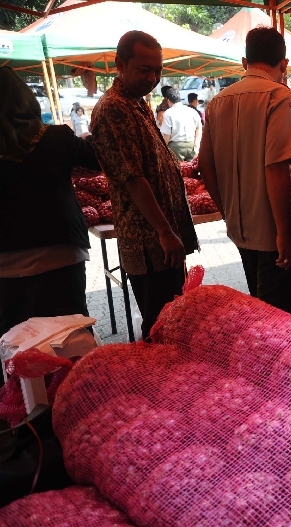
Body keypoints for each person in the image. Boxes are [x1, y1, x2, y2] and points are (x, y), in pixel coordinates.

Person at [91, 30, 198, 340]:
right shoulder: (114, 109)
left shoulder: (138, 103)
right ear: (119, 64)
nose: (152, 77)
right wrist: (164, 231)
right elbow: (133, 179)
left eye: (158, 70)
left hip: (163, 237)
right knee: (160, 323)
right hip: (148, 240)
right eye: (143, 69)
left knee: (175, 315)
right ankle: (160, 381)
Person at [199, 27, 291, 315]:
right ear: (284, 64)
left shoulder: (218, 101)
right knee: (276, 322)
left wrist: (226, 210)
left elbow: (205, 165)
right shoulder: (281, 96)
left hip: (239, 228)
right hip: (272, 230)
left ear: (245, 62)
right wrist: (284, 232)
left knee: (260, 309)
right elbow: (277, 166)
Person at [0, 67, 100, 337]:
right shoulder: (57, 137)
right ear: (28, 102)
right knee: (70, 341)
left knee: (15, 348)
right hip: (62, 253)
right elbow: (98, 159)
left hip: (6, 265)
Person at [160, 88, 202, 161]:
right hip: (191, 145)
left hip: (176, 147)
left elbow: (167, 136)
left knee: (177, 170)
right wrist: (196, 145)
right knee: (191, 169)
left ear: (169, 101)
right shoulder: (192, 111)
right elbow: (199, 128)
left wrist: (162, 150)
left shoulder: (168, 113)